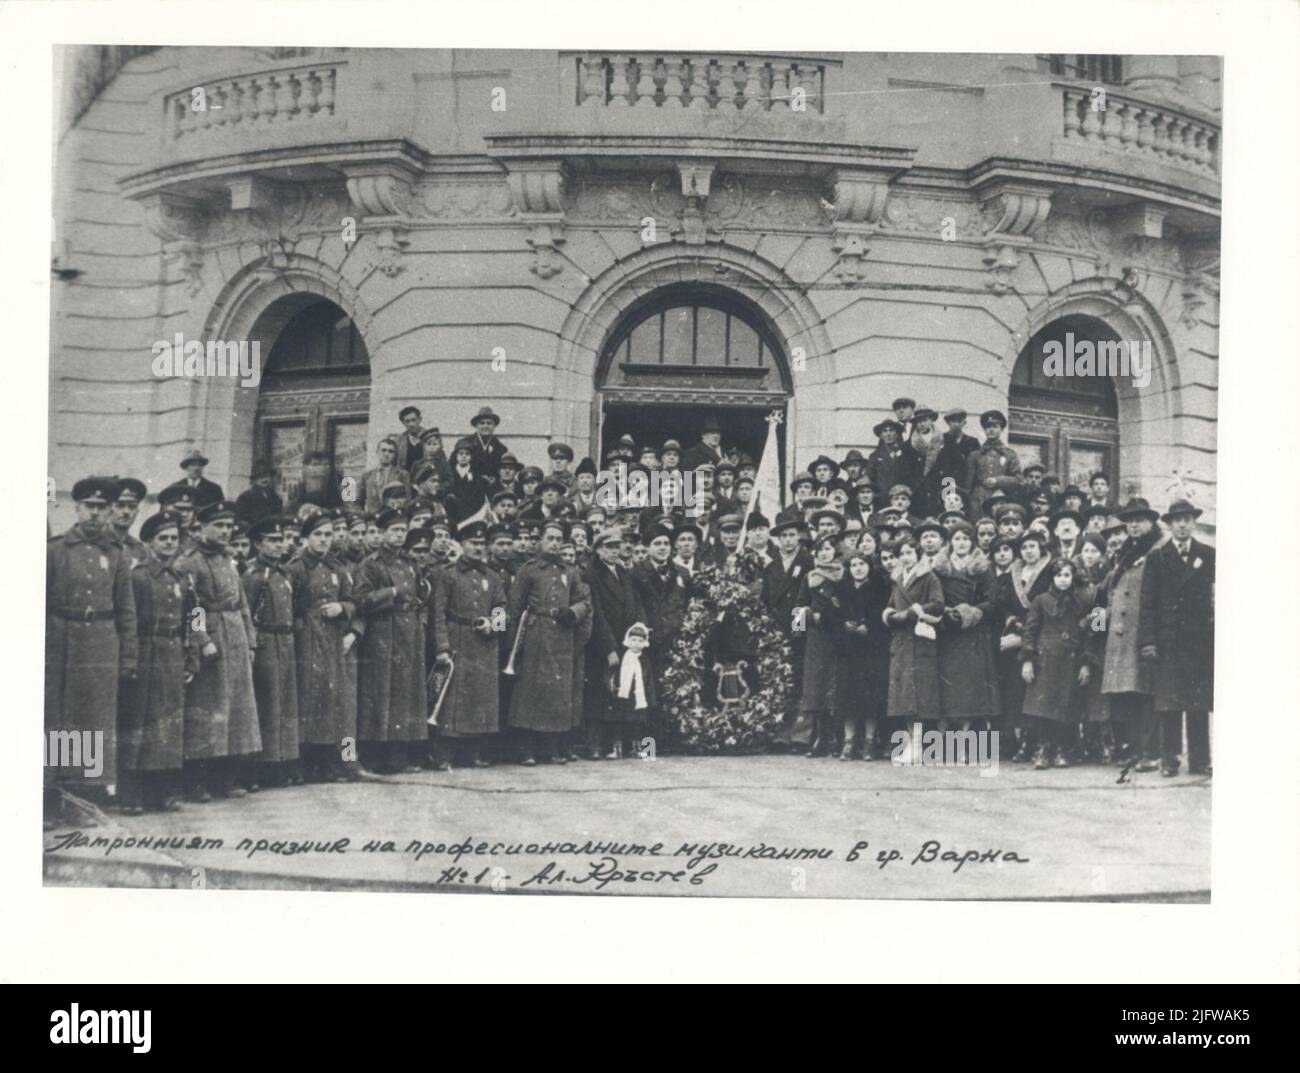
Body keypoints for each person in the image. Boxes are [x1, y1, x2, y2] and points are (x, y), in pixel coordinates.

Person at [45, 477, 138, 821]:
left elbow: (126, 609)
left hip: (101, 643)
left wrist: (128, 655)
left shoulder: (117, 554)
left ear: (111, 510)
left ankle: (85, 796)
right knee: (58, 721)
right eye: (90, 507)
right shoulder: (54, 550)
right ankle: (52, 798)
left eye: (102, 508)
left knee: (93, 721)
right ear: (77, 508)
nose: (96, 514)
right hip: (61, 642)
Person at [175, 500, 260, 800]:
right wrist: (203, 639)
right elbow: (190, 605)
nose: (225, 531)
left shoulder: (228, 560)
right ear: (202, 528)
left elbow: (242, 603)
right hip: (213, 640)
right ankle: (196, 781)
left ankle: (225, 778)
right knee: (208, 710)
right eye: (219, 526)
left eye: (228, 526)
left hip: (235, 636)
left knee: (235, 710)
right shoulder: (190, 561)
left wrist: (250, 640)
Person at [119, 511, 193, 814]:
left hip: (174, 653)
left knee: (168, 725)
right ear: (149, 542)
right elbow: (129, 620)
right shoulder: (138, 576)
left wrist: (193, 654)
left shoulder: (182, 579)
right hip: (147, 652)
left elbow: (194, 617)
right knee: (140, 724)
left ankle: (162, 792)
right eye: (163, 538)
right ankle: (132, 796)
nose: (169, 543)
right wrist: (131, 659)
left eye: (174, 538)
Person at [1139, 498, 1215, 776]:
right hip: (1167, 641)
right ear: (1169, 525)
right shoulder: (1157, 558)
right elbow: (1146, 604)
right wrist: (1147, 642)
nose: (1182, 524)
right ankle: (1168, 760)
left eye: (1187, 519)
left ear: (1194, 523)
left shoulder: (1208, 554)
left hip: (1199, 642)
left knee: (1198, 704)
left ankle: (1200, 759)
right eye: (1177, 520)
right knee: (1168, 703)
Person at [507, 519, 591, 765]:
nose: (554, 544)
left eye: (558, 539)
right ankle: (528, 750)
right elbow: (513, 607)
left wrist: (572, 612)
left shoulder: (570, 571)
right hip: (535, 635)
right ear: (541, 541)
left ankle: (551, 748)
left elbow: (585, 603)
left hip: (563, 636)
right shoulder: (529, 569)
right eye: (550, 538)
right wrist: (510, 645)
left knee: (557, 694)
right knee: (531, 693)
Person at [1094, 497, 1164, 772]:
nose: (1133, 525)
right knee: (1124, 696)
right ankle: (1132, 750)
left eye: (1139, 520)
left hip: (1143, 634)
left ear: (1151, 522)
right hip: (1117, 636)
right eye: (1129, 521)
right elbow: (1102, 598)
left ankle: (1151, 752)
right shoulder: (1123, 554)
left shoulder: (1158, 551)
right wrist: (1098, 630)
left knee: (1146, 693)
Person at [430, 520, 508, 768]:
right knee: (451, 699)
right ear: (462, 544)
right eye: (473, 543)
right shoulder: (447, 574)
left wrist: (493, 624)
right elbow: (438, 613)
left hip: (484, 643)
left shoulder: (492, 577)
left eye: (482, 544)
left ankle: (473, 752)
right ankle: (444, 755)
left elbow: (503, 609)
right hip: (457, 638)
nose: (478, 548)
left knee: (479, 698)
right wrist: (442, 646)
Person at [354, 509, 426, 774]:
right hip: (383, 633)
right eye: (394, 530)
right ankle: (375, 757)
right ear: (382, 533)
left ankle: (399, 757)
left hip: (409, 633)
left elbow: (421, 593)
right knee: (379, 693)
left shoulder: (410, 563)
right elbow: (360, 600)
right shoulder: (370, 564)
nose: (399, 536)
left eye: (402, 531)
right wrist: (391, 593)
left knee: (404, 694)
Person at [240, 515, 299, 788]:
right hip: (265, 641)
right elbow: (248, 614)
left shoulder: (284, 573)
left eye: (282, 540)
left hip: (285, 642)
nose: (279, 546)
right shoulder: (254, 576)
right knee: (268, 705)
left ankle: (282, 762)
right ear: (257, 544)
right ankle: (262, 767)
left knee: (285, 704)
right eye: (272, 541)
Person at [1021, 559, 1096, 768]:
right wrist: (1027, 659)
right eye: (1058, 575)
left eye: (1067, 575)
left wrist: (1086, 662)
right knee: (1043, 706)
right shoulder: (1040, 600)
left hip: (1070, 661)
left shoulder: (1081, 603)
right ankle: (1043, 749)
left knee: (1066, 706)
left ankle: (1062, 749)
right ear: (1052, 578)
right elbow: (1030, 631)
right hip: (1045, 660)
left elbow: (1089, 634)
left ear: (1073, 578)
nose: (1063, 580)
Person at [584, 528, 651, 759]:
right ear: (599, 550)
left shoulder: (624, 573)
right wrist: (609, 647)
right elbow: (597, 613)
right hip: (604, 644)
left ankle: (621, 745)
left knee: (623, 694)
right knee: (598, 694)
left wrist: (639, 633)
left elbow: (637, 604)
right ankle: (595, 745)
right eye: (608, 547)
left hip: (628, 643)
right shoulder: (591, 574)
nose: (614, 551)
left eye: (616, 547)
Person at [932, 521, 1000, 731]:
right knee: (948, 689)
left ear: (972, 542)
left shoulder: (982, 568)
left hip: (974, 634)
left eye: (966, 539)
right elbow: (934, 597)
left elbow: (992, 600)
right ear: (950, 542)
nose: (961, 543)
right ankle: (943, 740)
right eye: (957, 539)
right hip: (948, 633)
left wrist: (972, 612)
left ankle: (964, 739)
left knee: (970, 690)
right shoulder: (939, 569)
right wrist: (946, 613)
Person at [881, 537, 944, 748]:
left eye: (909, 553)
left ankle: (918, 744)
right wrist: (891, 615)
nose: (906, 558)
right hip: (901, 642)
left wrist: (912, 612)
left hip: (920, 640)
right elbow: (890, 604)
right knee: (904, 697)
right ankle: (911, 742)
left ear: (917, 554)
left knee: (920, 697)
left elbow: (938, 604)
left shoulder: (929, 577)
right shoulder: (898, 579)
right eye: (902, 554)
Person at [835, 548, 892, 760]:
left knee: (870, 697)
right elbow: (829, 613)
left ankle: (870, 740)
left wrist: (870, 627)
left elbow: (884, 613)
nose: (858, 568)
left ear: (869, 566)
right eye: (854, 565)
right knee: (847, 696)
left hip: (871, 647)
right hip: (848, 648)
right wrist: (843, 624)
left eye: (862, 564)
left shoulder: (879, 587)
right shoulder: (841, 588)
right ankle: (848, 741)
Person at [800, 537, 845, 757]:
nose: (825, 553)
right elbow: (797, 608)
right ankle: (819, 736)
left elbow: (847, 606)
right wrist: (807, 618)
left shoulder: (841, 576)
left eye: (829, 549)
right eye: (821, 550)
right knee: (816, 686)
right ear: (815, 554)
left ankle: (837, 737)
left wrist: (828, 616)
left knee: (834, 685)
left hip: (837, 636)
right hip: (815, 638)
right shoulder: (809, 577)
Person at [963, 410, 1022, 517]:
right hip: (978, 501)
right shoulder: (975, 455)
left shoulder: (1010, 454)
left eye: (995, 426)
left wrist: (998, 481)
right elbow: (967, 485)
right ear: (984, 430)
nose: (991, 430)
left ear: (1001, 429)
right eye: (988, 427)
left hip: (1001, 499)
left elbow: (1018, 479)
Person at [865, 419, 922, 501]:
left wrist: (907, 488)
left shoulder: (908, 453)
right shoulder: (875, 456)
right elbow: (870, 479)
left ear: (897, 434)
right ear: (881, 435)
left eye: (891, 430)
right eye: (884, 431)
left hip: (903, 499)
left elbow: (916, 476)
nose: (888, 434)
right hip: (883, 500)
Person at [361, 437, 410, 514]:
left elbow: (407, 500)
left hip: (393, 518)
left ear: (394, 455)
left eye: (391, 451)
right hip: (372, 520)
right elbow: (357, 501)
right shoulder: (367, 475)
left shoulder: (403, 475)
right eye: (383, 450)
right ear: (377, 452)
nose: (386, 454)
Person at [466, 406, 509, 484]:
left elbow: (503, 471)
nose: (485, 426)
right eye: (482, 423)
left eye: (489, 423)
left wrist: (495, 478)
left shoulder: (501, 448)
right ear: (476, 426)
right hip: (470, 488)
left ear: (494, 426)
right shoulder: (465, 443)